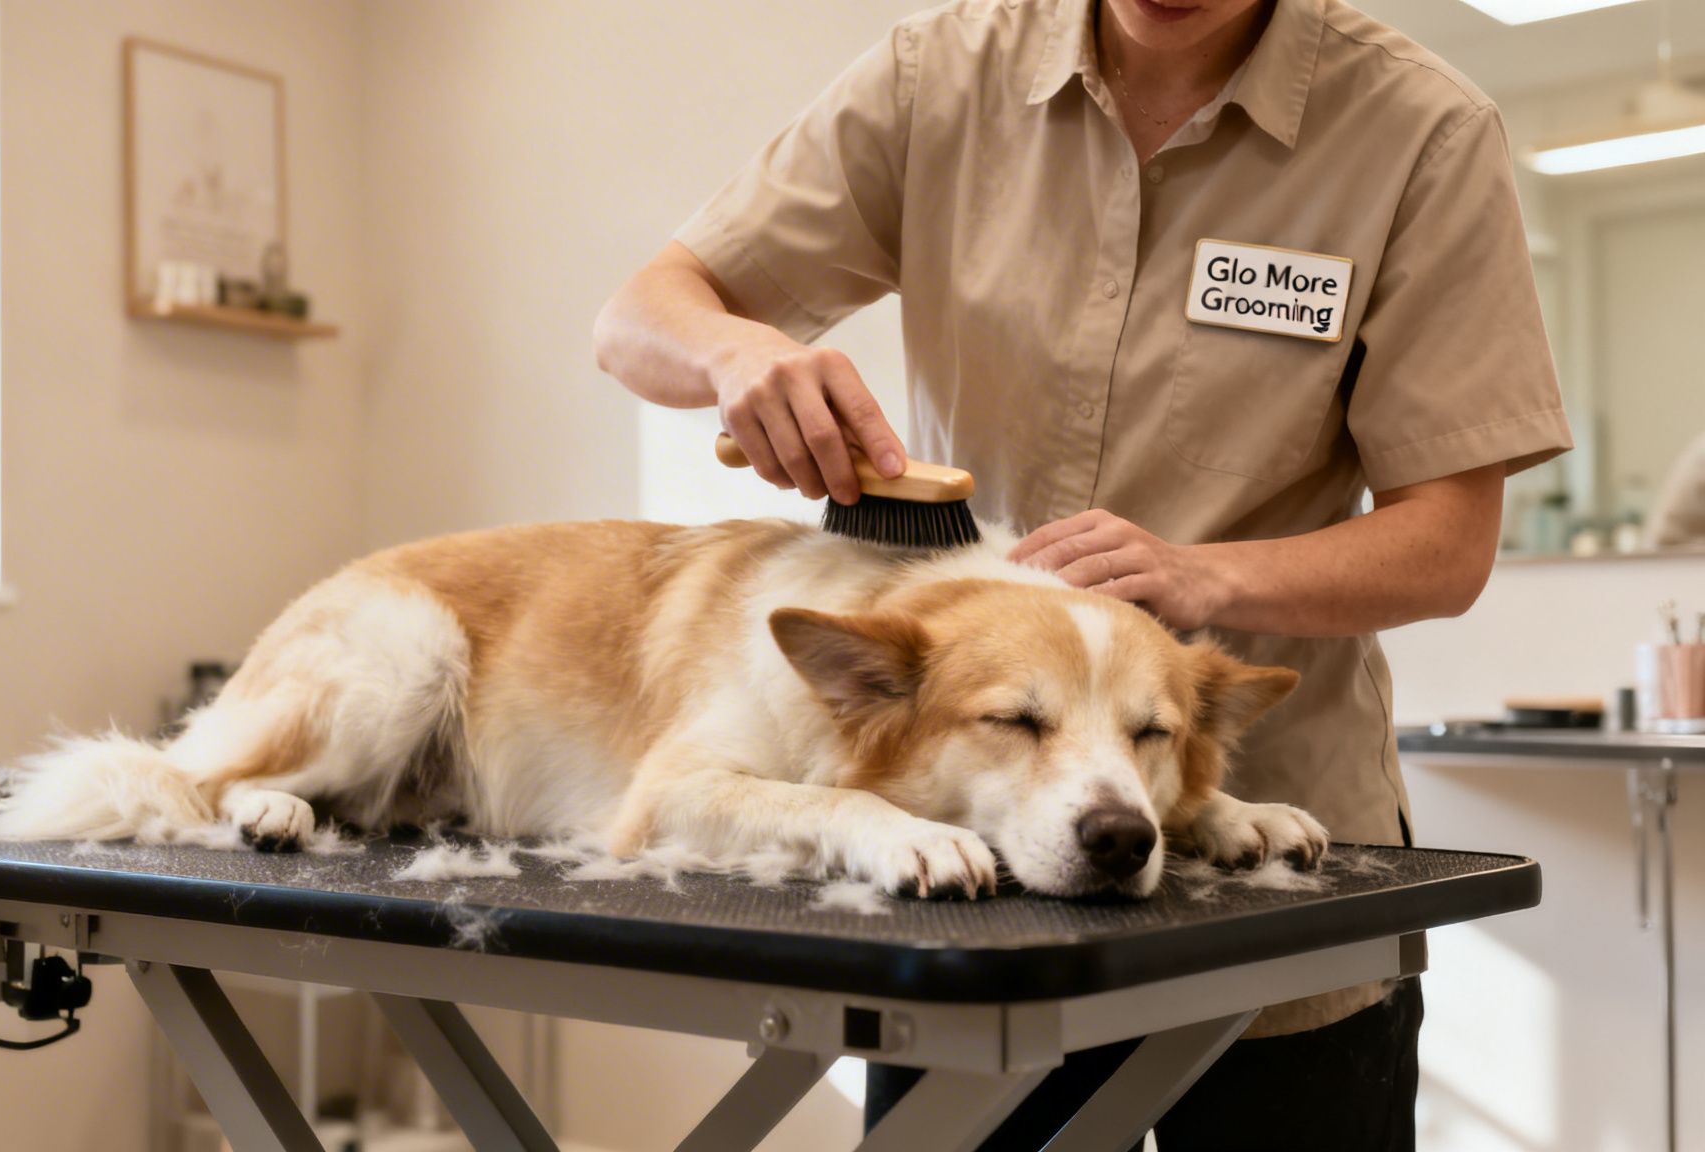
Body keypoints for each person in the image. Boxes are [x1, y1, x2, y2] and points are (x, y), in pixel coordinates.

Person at [594, 0, 1572, 1146]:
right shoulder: (936, 78)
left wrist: (1202, 579)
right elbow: (638, 317)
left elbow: (1447, 542)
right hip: (978, 855)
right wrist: (735, 351)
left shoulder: (1419, 133)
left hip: (1249, 850)